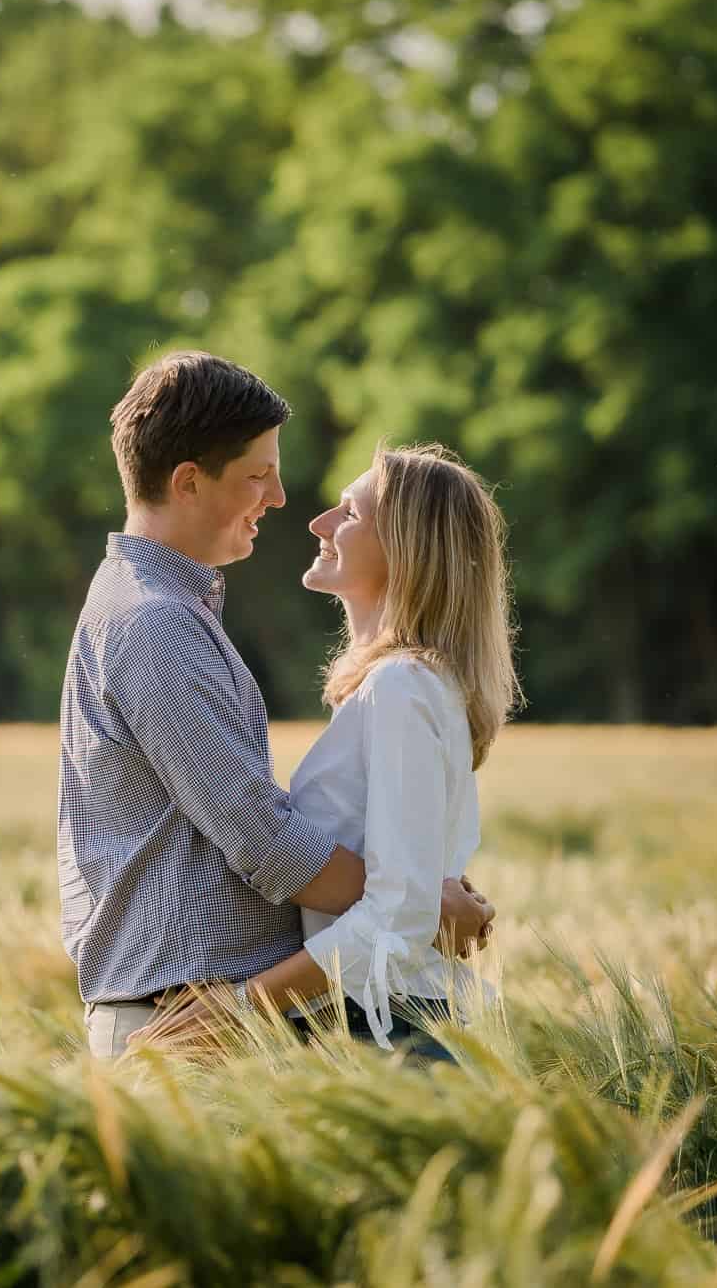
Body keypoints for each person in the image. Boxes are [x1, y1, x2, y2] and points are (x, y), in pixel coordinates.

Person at [58, 351, 496, 1060]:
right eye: (259, 474)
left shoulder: (167, 611)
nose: (284, 498)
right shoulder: (156, 620)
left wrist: (407, 899)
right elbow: (262, 835)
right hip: (183, 1023)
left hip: (218, 1017)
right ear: (189, 482)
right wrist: (417, 901)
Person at [127, 442, 520, 1058]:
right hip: (373, 1021)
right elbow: (405, 894)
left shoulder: (401, 687)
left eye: (350, 513)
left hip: (389, 1028)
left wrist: (241, 1007)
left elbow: (396, 916)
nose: (319, 523)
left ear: (407, 551)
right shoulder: (396, 686)